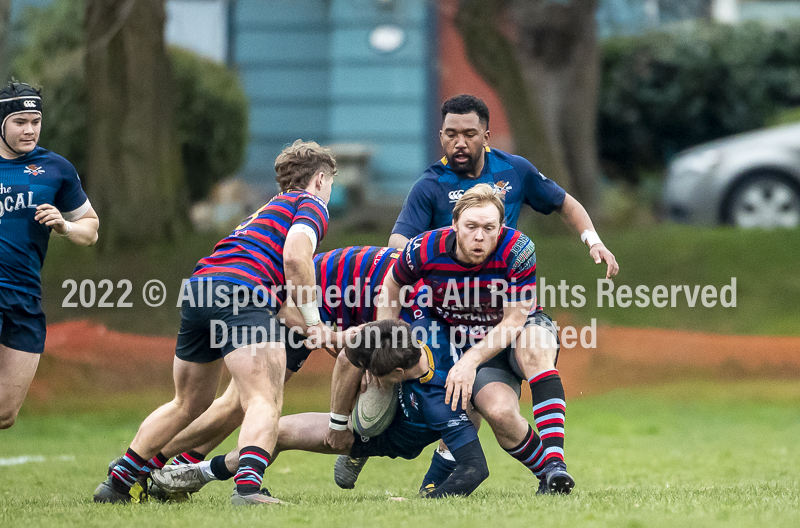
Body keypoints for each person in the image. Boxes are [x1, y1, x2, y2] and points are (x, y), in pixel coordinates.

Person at [379, 94, 619, 492]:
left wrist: (593, 240)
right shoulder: (429, 190)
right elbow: (395, 256)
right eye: (451, 134)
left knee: (534, 347)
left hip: (512, 312)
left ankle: (555, 464)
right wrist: (397, 318)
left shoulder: (516, 214)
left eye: (469, 134)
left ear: (486, 136)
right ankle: (458, 477)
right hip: (455, 320)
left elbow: (563, 203)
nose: (459, 143)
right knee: (489, 410)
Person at [94, 139, 336, 506]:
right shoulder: (311, 205)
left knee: (187, 402)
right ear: (319, 179)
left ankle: (117, 483)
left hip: (200, 289)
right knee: (263, 400)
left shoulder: (266, 210)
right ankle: (248, 489)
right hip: (242, 293)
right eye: (330, 183)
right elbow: (294, 258)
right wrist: (315, 321)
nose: (329, 190)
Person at [343, 184, 573, 497]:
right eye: (471, 227)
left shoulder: (518, 248)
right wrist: (385, 342)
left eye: (489, 228)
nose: (480, 236)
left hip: (517, 328)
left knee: (534, 350)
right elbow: (393, 285)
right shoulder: (424, 248)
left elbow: (515, 320)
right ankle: (550, 478)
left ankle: (556, 462)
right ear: (454, 224)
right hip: (466, 341)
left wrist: (469, 361)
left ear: (501, 228)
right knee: (500, 413)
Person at [132, 245, 402, 492]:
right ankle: (145, 462)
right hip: (301, 302)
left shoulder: (425, 281)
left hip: (318, 302)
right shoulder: (421, 286)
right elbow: (288, 306)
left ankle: (171, 466)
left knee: (239, 405)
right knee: (240, 403)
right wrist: (328, 336)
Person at [150, 319, 489, 500]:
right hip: (360, 419)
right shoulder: (408, 337)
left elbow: (476, 468)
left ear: (398, 375)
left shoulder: (441, 402)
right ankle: (200, 474)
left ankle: (200, 471)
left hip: (372, 438)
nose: (370, 377)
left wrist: (426, 499)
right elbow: (353, 356)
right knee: (275, 430)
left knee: (470, 407)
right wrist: (341, 415)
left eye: (377, 374)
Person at [0, 81, 99, 430]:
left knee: (5, 414)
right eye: (19, 121)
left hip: (25, 296)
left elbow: (91, 228)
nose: (29, 130)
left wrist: (64, 226)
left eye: (35, 121)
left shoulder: (55, 169)